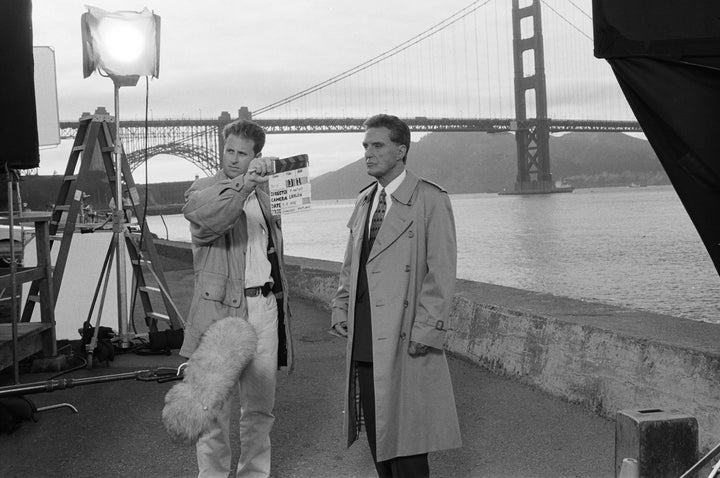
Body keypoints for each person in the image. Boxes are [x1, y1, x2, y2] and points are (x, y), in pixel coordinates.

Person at [331, 114, 462, 477]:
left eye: (377, 146)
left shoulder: (430, 199)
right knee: (380, 441)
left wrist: (427, 330)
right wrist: (341, 306)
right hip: (365, 336)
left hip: (405, 337)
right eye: (365, 147)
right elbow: (350, 265)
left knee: (408, 448)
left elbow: (442, 272)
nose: (368, 154)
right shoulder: (364, 202)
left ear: (401, 150)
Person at [180, 118, 294, 478]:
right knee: (213, 410)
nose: (232, 158)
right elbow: (207, 221)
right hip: (220, 311)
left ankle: (254, 475)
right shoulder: (203, 189)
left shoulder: (264, 192)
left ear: (255, 155)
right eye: (228, 150)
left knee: (260, 408)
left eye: (242, 154)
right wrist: (244, 184)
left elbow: (283, 226)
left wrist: (277, 176)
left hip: (264, 306)